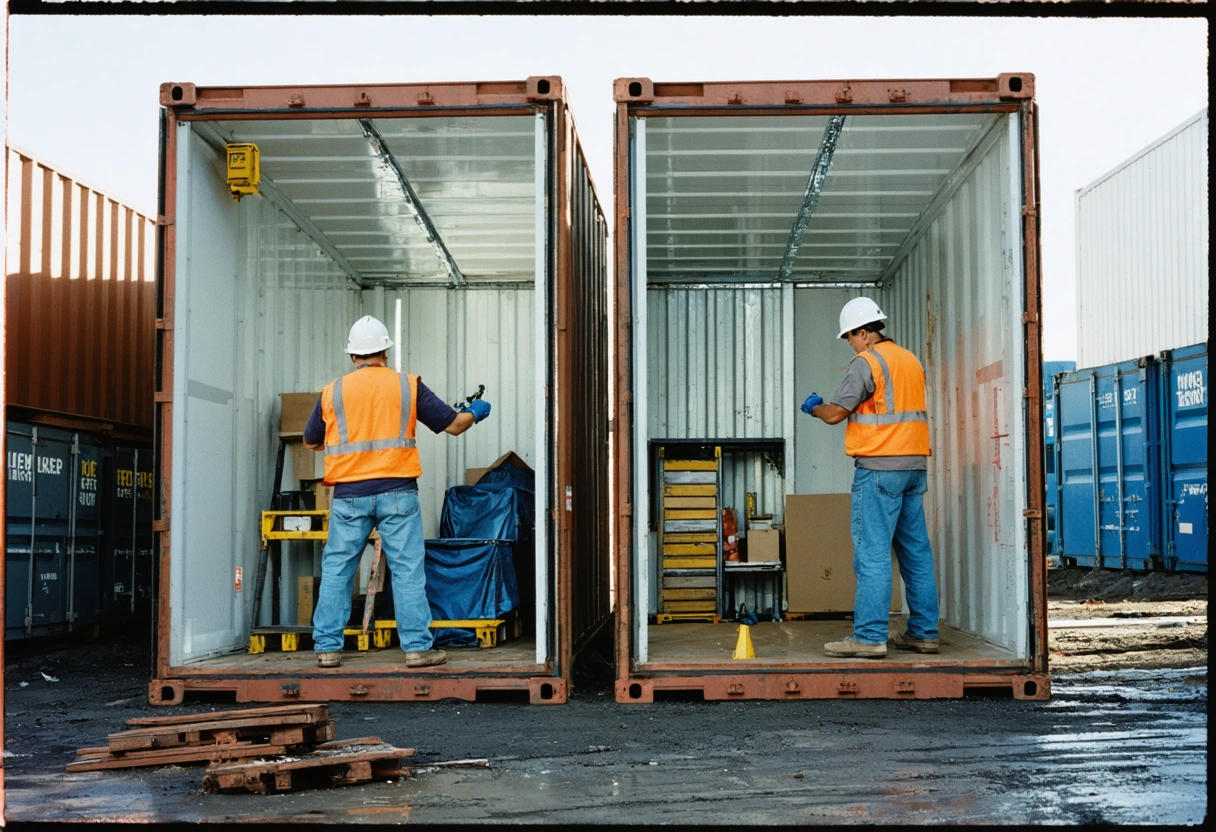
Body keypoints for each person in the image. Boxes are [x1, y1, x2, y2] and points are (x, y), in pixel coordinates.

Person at [303, 315, 491, 669]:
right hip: (398, 493)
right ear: (385, 352)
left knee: (338, 569)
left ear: (352, 355)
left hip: (348, 496)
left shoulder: (333, 391)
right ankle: (418, 648)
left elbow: (311, 440)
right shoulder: (407, 385)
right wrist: (476, 412)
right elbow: (453, 425)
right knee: (407, 570)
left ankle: (327, 648)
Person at [800, 297, 939, 659]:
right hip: (913, 468)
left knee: (872, 555)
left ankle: (869, 638)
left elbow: (834, 415)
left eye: (849, 337)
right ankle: (924, 634)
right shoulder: (909, 360)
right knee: (917, 554)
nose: (849, 343)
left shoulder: (867, 363)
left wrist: (814, 407)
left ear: (864, 333)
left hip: (879, 468)